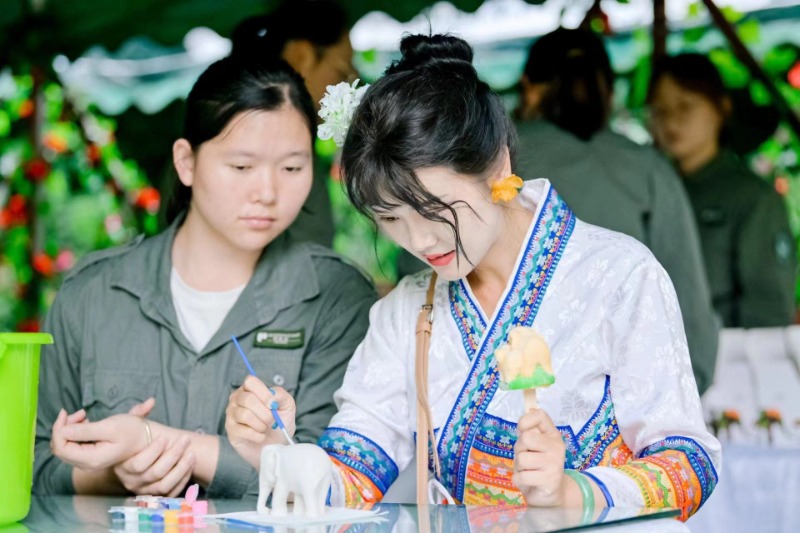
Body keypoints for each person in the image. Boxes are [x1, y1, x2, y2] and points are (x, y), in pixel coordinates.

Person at [225, 34, 720, 520]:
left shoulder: (619, 275)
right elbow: (355, 470)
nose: (419, 241)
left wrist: (575, 492)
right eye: (391, 218)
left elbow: (690, 464)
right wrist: (283, 454)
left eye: (435, 210)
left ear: (497, 165)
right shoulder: (406, 310)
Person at [33, 55, 375, 498]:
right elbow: (33, 463)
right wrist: (115, 473)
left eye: (292, 168)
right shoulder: (92, 294)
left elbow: (340, 479)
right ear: (186, 162)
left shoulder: (337, 296)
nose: (268, 192)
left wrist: (153, 442)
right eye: (242, 167)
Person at [513, 28, 719, 395]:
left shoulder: (491, 165)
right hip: (625, 398)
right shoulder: (648, 169)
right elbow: (688, 307)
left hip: (509, 394)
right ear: (609, 92)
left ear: (529, 89)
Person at [648, 53, 797, 328]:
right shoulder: (648, 193)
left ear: (722, 108)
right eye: (660, 110)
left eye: (685, 106)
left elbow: (768, 314)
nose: (671, 121)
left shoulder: (753, 198)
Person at [231, 0, 357, 248]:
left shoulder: (280, 138)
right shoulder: (264, 144)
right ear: (302, 55)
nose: (348, 88)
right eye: (342, 73)